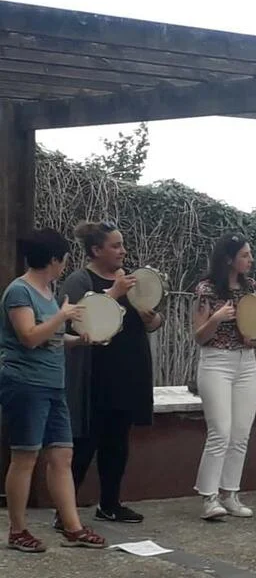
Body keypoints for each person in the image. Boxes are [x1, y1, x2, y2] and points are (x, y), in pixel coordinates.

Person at [1, 228, 107, 552]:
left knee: (62, 455)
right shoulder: (19, 292)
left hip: (53, 384)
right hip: (25, 383)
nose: (64, 265)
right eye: (63, 259)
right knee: (25, 456)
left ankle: (73, 527)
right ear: (54, 259)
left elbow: (52, 338)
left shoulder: (49, 291)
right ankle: (17, 530)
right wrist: (61, 316)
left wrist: (79, 340)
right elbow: (30, 337)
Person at [60, 221, 162, 527]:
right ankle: (64, 511)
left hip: (127, 371)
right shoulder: (80, 280)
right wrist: (114, 293)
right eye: (115, 246)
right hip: (94, 373)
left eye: (122, 245)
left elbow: (153, 322)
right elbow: (77, 321)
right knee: (85, 442)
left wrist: (151, 317)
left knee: (117, 442)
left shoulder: (129, 279)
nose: (123, 251)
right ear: (96, 250)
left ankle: (110, 504)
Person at [192, 233, 256, 520]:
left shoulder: (252, 288)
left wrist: (254, 337)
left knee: (241, 433)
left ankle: (230, 493)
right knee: (220, 431)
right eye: (245, 255)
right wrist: (216, 318)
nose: (250, 259)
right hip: (216, 361)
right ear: (228, 259)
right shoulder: (207, 289)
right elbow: (199, 336)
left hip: (246, 362)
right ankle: (209, 497)